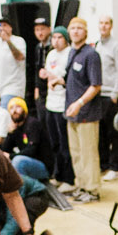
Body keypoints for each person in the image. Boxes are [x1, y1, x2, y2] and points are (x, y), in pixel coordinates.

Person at [62, 17, 105, 202]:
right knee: (76, 152)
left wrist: (79, 103)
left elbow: (95, 86)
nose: (76, 31)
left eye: (80, 28)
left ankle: (92, 190)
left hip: (86, 112)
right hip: (72, 113)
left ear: (86, 32)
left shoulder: (91, 54)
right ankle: (81, 185)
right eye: (73, 28)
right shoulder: (72, 52)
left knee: (88, 153)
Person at [95, 16, 118, 175]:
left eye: (106, 23)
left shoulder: (117, 46)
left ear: (111, 26)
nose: (103, 26)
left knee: (113, 131)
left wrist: (116, 93)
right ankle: (104, 164)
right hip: (97, 95)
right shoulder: (96, 45)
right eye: (101, 23)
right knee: (101, 132)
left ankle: (116, 166)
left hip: (111, 95)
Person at [41, 25, 74, 187]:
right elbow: (50, 74)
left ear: (65, 39)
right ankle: (59, 174)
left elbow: (69, 78)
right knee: (54, 142)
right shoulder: (51, 54)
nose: (56, 41)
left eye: (59, 37)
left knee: (65, 143)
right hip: (51, 102)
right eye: (53, 37)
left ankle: (69, 178)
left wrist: (58, 80)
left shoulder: (70, 53)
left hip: (63, 103)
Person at [0, 17, 25, 107]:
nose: (1, 28)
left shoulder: (18, 40)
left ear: (11, 28)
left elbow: (20, 57)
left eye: (5, 25)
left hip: (13, 87)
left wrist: (8, 40)